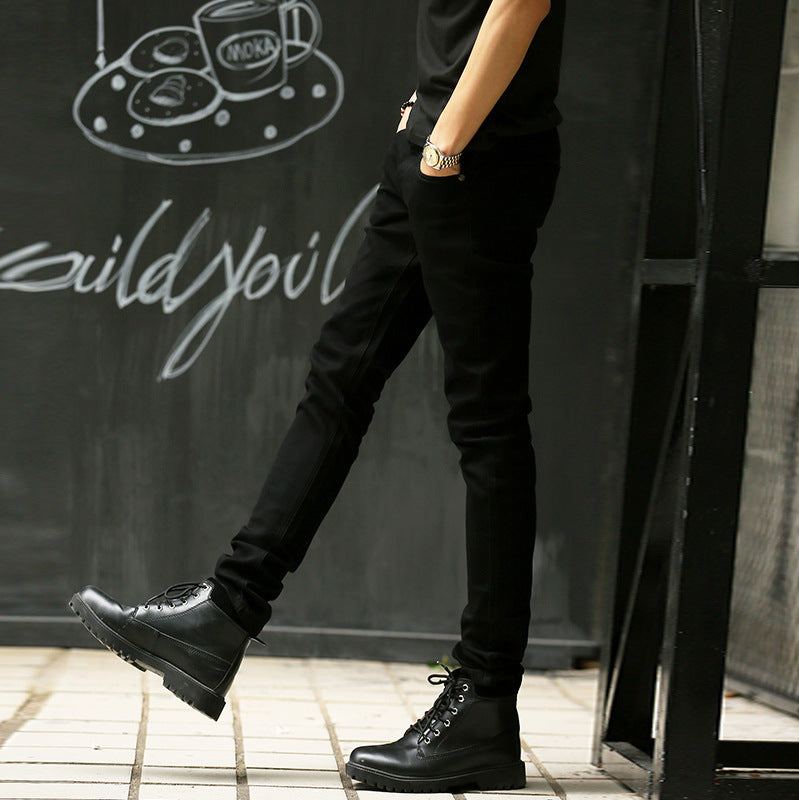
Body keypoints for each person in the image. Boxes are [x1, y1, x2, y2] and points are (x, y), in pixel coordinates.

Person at [70, 0, 565, 792]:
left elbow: (520, 4)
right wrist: (426, 116)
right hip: (436, 143)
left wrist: (448, 138)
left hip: (478, 154)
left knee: (487, 422)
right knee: (339, 379)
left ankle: (484, 701)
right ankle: (225, 614)